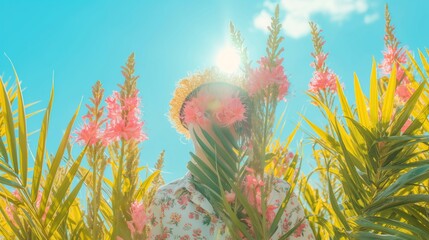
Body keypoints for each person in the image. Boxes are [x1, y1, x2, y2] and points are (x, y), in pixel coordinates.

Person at [148, 69, 315, 239]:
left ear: (243, 126)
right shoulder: (165, 200)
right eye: (206, 112)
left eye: (229, 112)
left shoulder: (277, 193)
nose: (218, 120)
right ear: (185, 120)